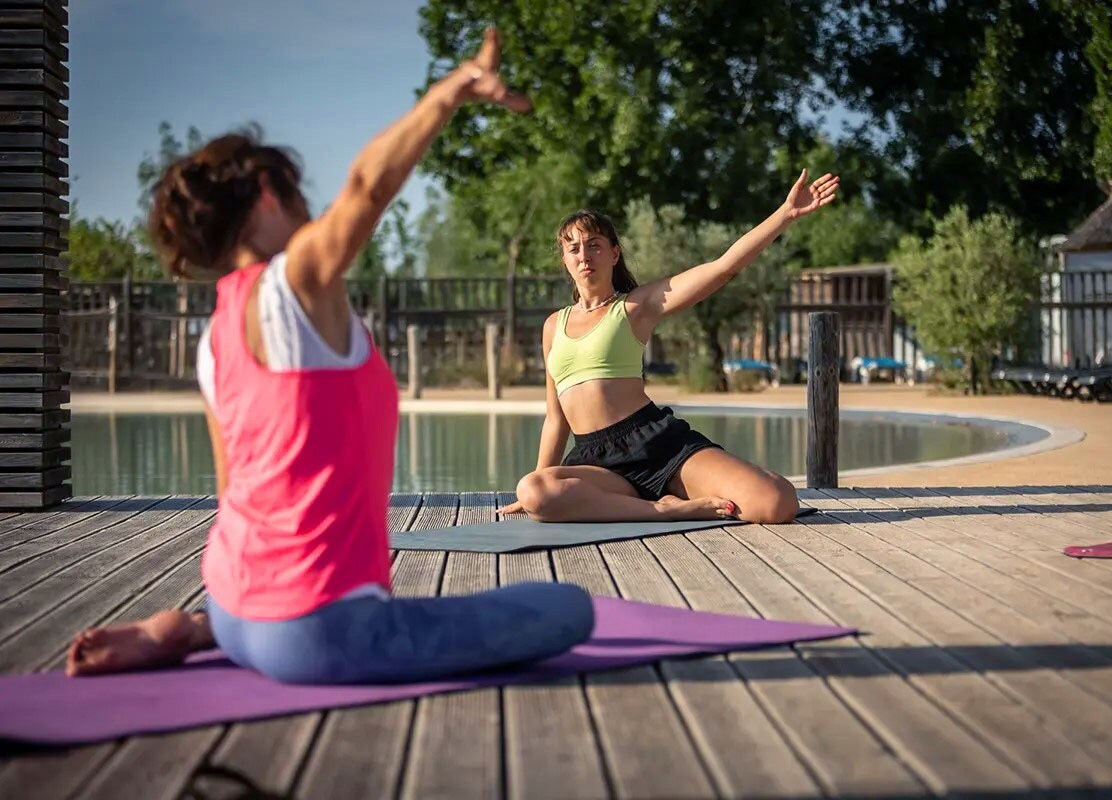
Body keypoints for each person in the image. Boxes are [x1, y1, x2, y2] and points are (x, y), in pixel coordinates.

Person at [65, 29, 594, 684]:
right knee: (569, 608)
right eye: (297, 192)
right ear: (267, 192)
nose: (313, 208)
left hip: (231, 605)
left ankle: (192, 631)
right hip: (323, 633)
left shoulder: (215, 336)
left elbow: (235, 494)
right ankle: (215, 632)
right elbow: (369, 185)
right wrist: (454, 90)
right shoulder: (293, 285)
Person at [500, 171, 839, 525]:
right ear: (565, 261)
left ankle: (686, 489)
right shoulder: (554, 326)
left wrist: (784, 213)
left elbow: (722, 268)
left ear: (614, 254)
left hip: (656, 445)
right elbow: (557, 418)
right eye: (573, 248)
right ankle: (663, 508)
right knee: (534, 490)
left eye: (595, 244)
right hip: (596, 463)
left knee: (778, 502)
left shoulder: (636, 306)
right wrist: (538, 485)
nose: (584, 255)